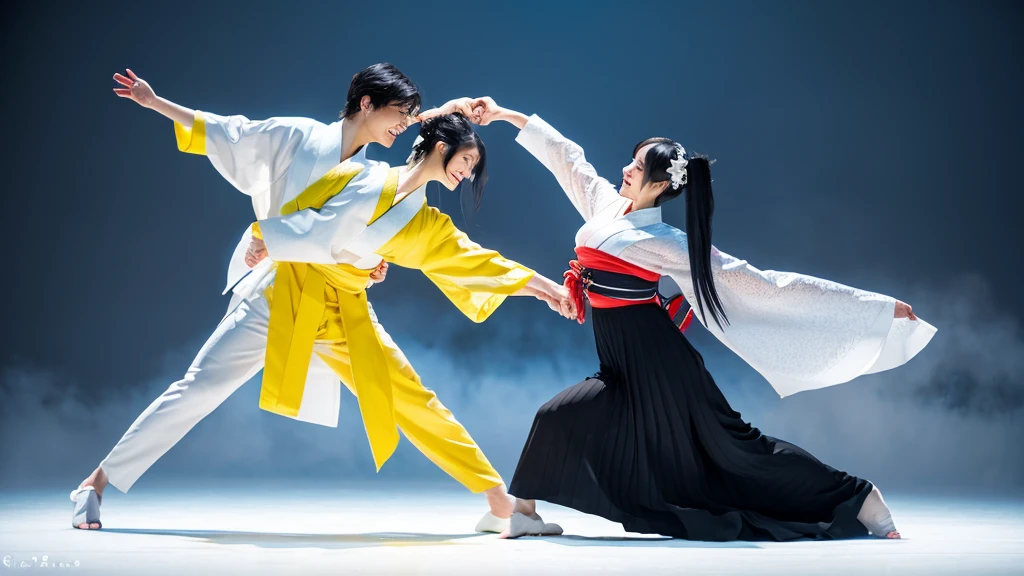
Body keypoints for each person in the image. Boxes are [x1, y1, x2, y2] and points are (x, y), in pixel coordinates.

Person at [71, 68, 573, 534]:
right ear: (372, 105)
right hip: (283, 292)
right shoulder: (355, 169)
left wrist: (547, 288)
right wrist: (265, 234)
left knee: (412, 399)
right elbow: (292, 194)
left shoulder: (421, 218)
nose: (466, 175)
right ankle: (95, 482)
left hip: (344, 310)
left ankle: (501, 507)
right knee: (199, 389)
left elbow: (478, 261)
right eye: (466, 163)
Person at [421, 97, 936, 541]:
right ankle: (526, 513)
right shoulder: (606, 208)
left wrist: (874, 308)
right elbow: (568, 160)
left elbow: (760, 282)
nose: (624, 170)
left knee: (739, 451)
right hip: (621, 363)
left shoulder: (663, 242)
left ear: (658, 184)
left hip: (660, 364)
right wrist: (506, 115)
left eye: (636, 166)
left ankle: (861, 497)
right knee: (558, 417)